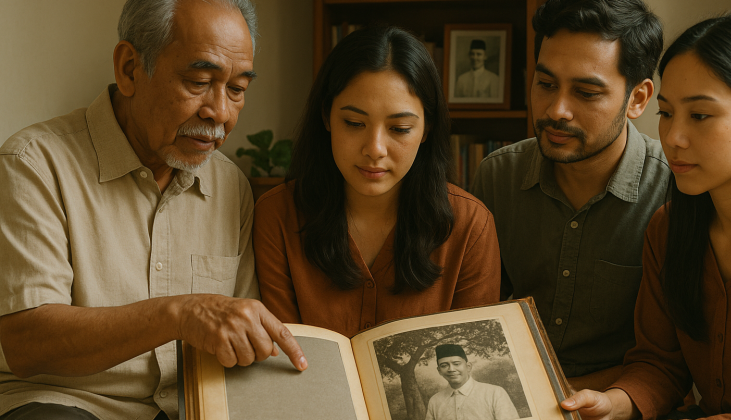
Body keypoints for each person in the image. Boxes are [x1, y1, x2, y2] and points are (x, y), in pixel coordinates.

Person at [0, 1, 306, 419]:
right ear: (129, 69)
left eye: (237, 90)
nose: (219, 112)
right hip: (66, 404)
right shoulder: (34, 163)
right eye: (199, 81)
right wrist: (179, 315)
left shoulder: (231, 186)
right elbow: (26, 343)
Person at [562, 12, 731, 419]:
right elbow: (659, 365)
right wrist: (612, 404)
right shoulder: (670, 227)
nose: (672, 138)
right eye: (667, 113)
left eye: (700, 115)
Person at [253, 26, 501, 338]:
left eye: (399, 128)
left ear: (426, 130)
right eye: (354, 123)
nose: (374, 149)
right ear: (326, 116)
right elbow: (283, 355)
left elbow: (471, 361)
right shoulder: (277, 215)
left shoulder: (470, 227)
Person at [471, 0, 667, 391]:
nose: (557, 110)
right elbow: (473, 315)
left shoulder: (672, 190)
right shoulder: (498, 175)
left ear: (638, 99)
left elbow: (673, 354)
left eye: (586, 92)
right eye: (545, 84)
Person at [425, 344, 519, 420]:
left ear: (468, 366)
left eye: (456, 364)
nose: (451, 369)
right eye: (444, 365)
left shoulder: (494, 393)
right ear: (439, 371)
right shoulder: (435, 401)